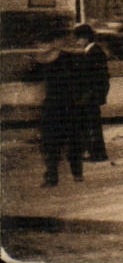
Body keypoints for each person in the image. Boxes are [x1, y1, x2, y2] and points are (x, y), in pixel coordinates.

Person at [36, 40, 82, 186]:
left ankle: (53, 176)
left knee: (51, 143)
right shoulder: (68, 58)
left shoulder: (47, 61)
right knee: (71, 141)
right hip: (68, 105)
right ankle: (76, 173)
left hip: (54, 106)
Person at [72, 23, 111, 164]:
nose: (77, 42)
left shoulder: (94, 53)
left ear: (86, 38)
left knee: (91, 124)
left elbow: (96, 77)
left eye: (79, 39)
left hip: (91, 94)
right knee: (90, 123)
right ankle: (95, 152)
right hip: (92, 93)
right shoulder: (93, 51)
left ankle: (97, 153)